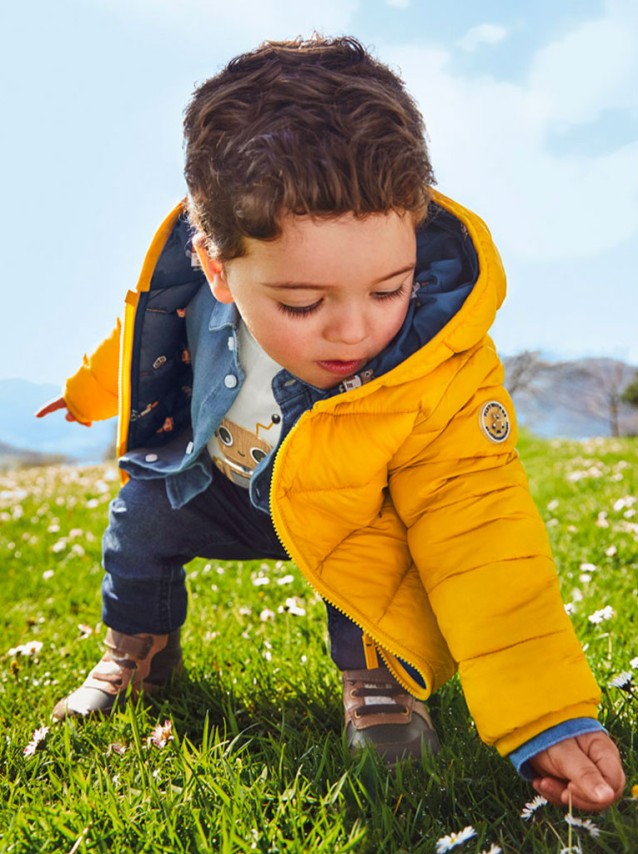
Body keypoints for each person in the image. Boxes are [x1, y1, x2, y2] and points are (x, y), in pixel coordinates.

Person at [37, 36, 625, 811]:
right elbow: (141, 338)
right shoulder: (193, 287)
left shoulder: (438, 364)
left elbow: (480, 529)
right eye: (304, 305)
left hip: (352, 508)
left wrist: (547, 715)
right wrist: (87, 394)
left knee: (375, 564)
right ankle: (135, 654)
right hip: (225, 483)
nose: (354, 332)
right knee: (141, 520)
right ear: (218, 267)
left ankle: (377, 683)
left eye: (390, 289)